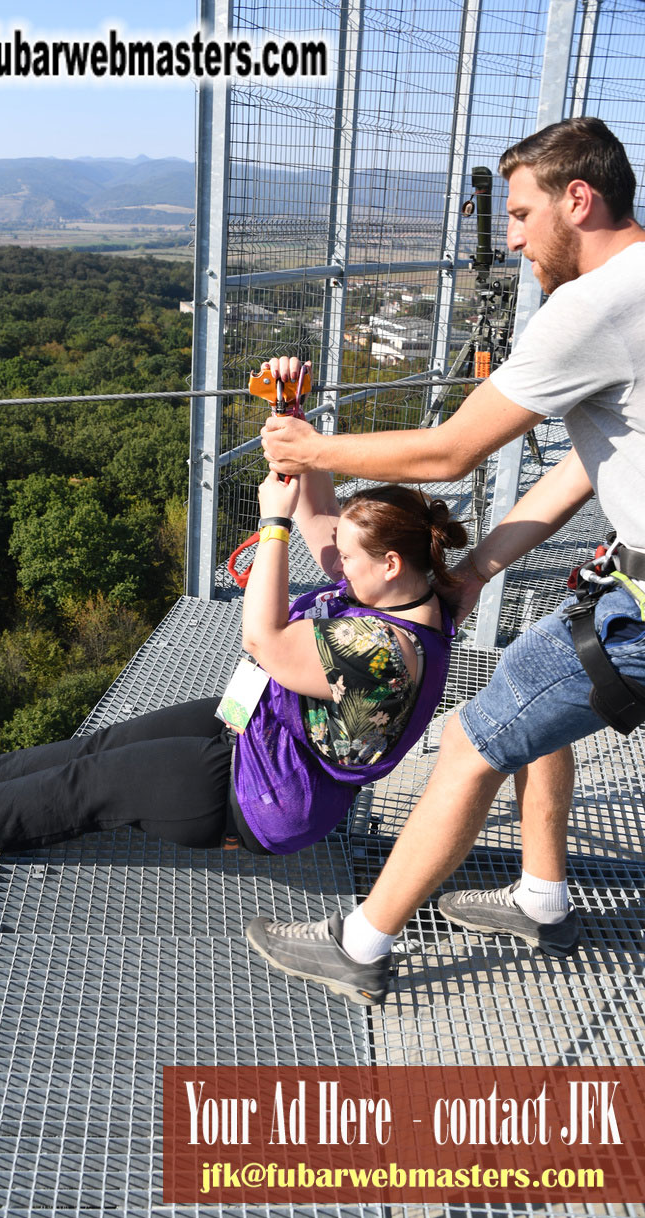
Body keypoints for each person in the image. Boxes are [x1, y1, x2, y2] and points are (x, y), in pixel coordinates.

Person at [247, 115, 645, 1007]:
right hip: (632, 579)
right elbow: (592, 462)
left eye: (519, 212)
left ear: (578, 200)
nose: (509, 238)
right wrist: (479, 569)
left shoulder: (596, 303)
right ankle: (542, 897)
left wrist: (314, 452)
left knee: (473, 739)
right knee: (536, 692)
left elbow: (451, 452)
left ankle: (360, 945)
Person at [0, 456, 464, 974]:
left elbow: (263, 638)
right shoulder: (406, 592)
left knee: (94, 784)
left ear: (389, 563)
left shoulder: (387, 655)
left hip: (264, 794)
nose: (338, 565)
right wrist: (297, 433)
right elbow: (322, 518)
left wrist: (272, 525)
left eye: (353, 558)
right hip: (261, 727)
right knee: (100, 746)